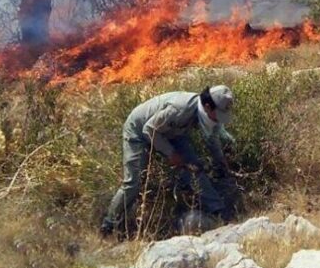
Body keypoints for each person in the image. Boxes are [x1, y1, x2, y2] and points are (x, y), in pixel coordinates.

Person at [101, 85, 236, 237]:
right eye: (218, 114)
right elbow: (149, 129)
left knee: (194, 168)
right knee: (133, 182)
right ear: (207, 107)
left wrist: (221, 162)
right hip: (138, 130)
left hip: (172, 133)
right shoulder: (180, 110)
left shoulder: (206, 115)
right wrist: (171, 153)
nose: (219, 118)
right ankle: (109, 225)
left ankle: (218, 211)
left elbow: (212, 139)